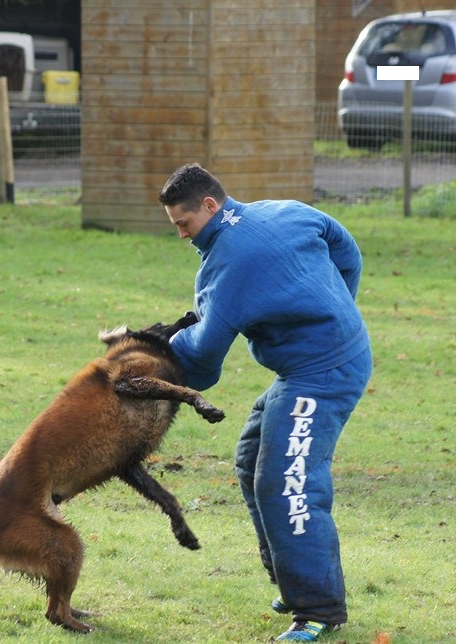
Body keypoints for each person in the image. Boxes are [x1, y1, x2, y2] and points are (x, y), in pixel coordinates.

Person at [158, 163, 373, 641]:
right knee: (253, 456)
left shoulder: (226, 265)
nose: (181, 235)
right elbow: (345, 247)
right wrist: (338, 305)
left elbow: (205, 357)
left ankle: (317, 608)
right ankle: (293, 578)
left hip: (323, 373)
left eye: (184, 224)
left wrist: (164, 349)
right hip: (320, 361)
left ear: (209, 206)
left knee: (286, 480)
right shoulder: (285, 211)